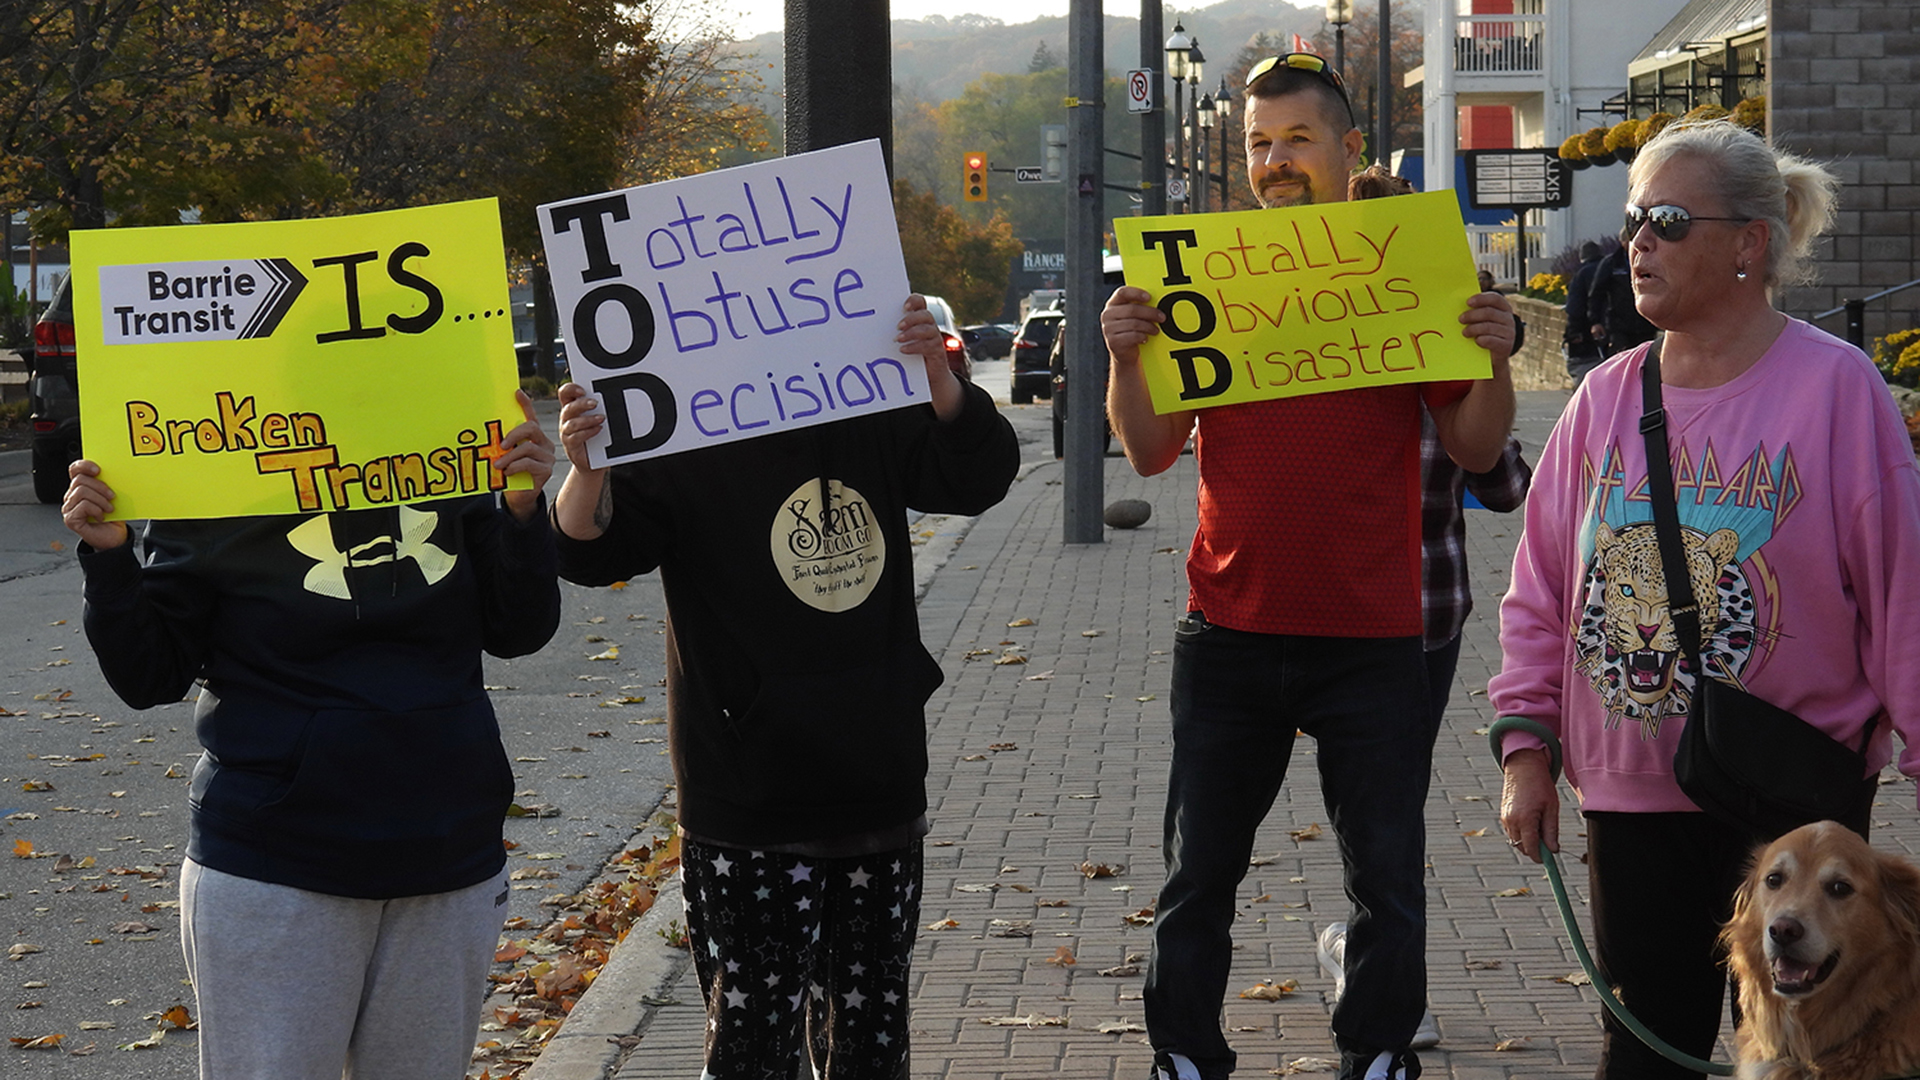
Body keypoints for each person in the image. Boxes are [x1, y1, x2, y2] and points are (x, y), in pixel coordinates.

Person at [1100, 53, 1518, 1080]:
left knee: (1387, 872)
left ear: (1347, 150)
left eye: (1296, 140)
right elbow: (1152, 450)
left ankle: (1377, 1049)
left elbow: (1473, 448)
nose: (1275, 161)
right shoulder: (1206, 268)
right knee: (1199, 870)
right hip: (1230, 625)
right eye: (1257, 145)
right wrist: (1121, 358)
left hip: (1373, 631)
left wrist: (1497, 355)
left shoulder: (1402, 267)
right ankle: (1184, 1053)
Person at [1492, 119, 1920, 1079]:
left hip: (1794, 791)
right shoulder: (1604, 399)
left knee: (1812, 1050)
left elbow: (1905, 596)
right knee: (1650, 1051)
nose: (1637, 240)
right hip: (1632, 788)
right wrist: (1525, 745)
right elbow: (1542, 590)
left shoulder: (1837, 390)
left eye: (1670, 220)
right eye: (1635, 217)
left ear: (1748, 245)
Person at [549, 295, 1018, 1078]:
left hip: (876, 778)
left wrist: (937, 377)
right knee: (752, 1048)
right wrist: (586, 468)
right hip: (746, 795)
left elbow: (977, 475)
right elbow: (590, 553)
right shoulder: (680, 430)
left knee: (871, 1041)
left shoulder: (864, 399)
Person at [60, 391, 562, 1080]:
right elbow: (149, 674)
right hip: (275, 867)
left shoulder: (452, 456)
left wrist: (523, 512)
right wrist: (111, 559)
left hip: (446, 857)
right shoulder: (213, 477)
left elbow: (520, 629)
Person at [1314, 166, 1536, 1053]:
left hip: (1417, 614)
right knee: (1369, 804)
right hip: (1308, 610)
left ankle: (1385, 981)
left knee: (1386, 803)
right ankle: (1371, 957)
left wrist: (1485, 357)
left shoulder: (1442, 346)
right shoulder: (1313, 348)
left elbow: (1504, 479)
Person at [1586, 240, 1656, 357]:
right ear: (1624, 242)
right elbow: (1596, 294)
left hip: (1645, 324)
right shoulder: (1612, 263)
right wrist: (1595, 321)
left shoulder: (1649, 262)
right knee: (1620, 360)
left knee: (1644, 362)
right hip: (1619, 326)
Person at [1562, 241, 1606, 385]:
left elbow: (1575, 306)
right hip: (1613, 327)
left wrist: (1574, 331)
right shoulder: (1610, 267)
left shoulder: (1582, 274)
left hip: (1587, 333)